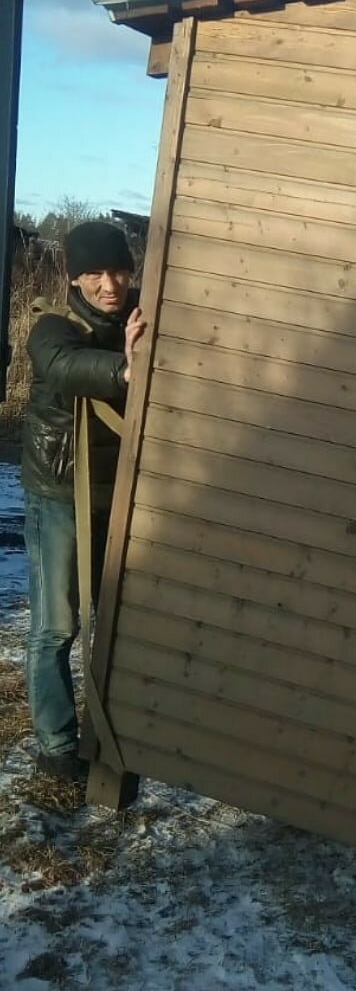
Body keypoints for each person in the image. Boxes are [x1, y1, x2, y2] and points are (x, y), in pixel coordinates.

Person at [21, 221, 146, 782]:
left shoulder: (145, 315)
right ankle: (55, 744)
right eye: (94, 273)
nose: (109, 284)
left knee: (120, 621)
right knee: (56, 626)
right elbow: (65, 366)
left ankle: (114, 733)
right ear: (75, 277)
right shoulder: (52, 325)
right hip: (60, 494)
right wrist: (127, 366)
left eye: (117, 270)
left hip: (125, 494)